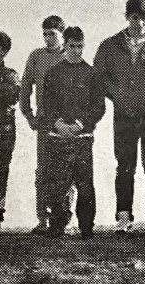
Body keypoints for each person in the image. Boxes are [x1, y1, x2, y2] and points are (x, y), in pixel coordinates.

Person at [93, 0, 145, 233]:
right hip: (124, 116)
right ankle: (123, 216)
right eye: (134, 17)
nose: (139, 23)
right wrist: (118, 95)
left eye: (143, 18)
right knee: (125, 166)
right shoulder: (109, 46)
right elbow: (100, 77)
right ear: (127, 17)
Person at [39, 26, 106, 238]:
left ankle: (86, 227)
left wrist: (80, 125)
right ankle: (57, 224)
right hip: (58, 138)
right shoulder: (54, 73)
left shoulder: (92, 74)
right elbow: (47, 105)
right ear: (65, 46)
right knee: (57, 183)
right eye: (72, 46)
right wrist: (58, 124)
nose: (77, 50)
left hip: (82, 139)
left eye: (80, 46)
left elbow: (98, 107)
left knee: (84, 184)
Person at [20, 15, 69, 234]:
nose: (48, 38)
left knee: (67, 171)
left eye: (53, 34)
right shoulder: (36, 57)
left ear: (62, 34)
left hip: (68, 125)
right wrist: (29, 115)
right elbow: (24, 90)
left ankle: (65, 218)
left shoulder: (70, 55)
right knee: (44, 172)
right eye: (45, 34)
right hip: (45, 123)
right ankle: (43, 219)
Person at [0, 30, 17, 235]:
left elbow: (10, 96)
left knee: (0, 175)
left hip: (2, 134)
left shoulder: (10, 75)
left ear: (4, 51)